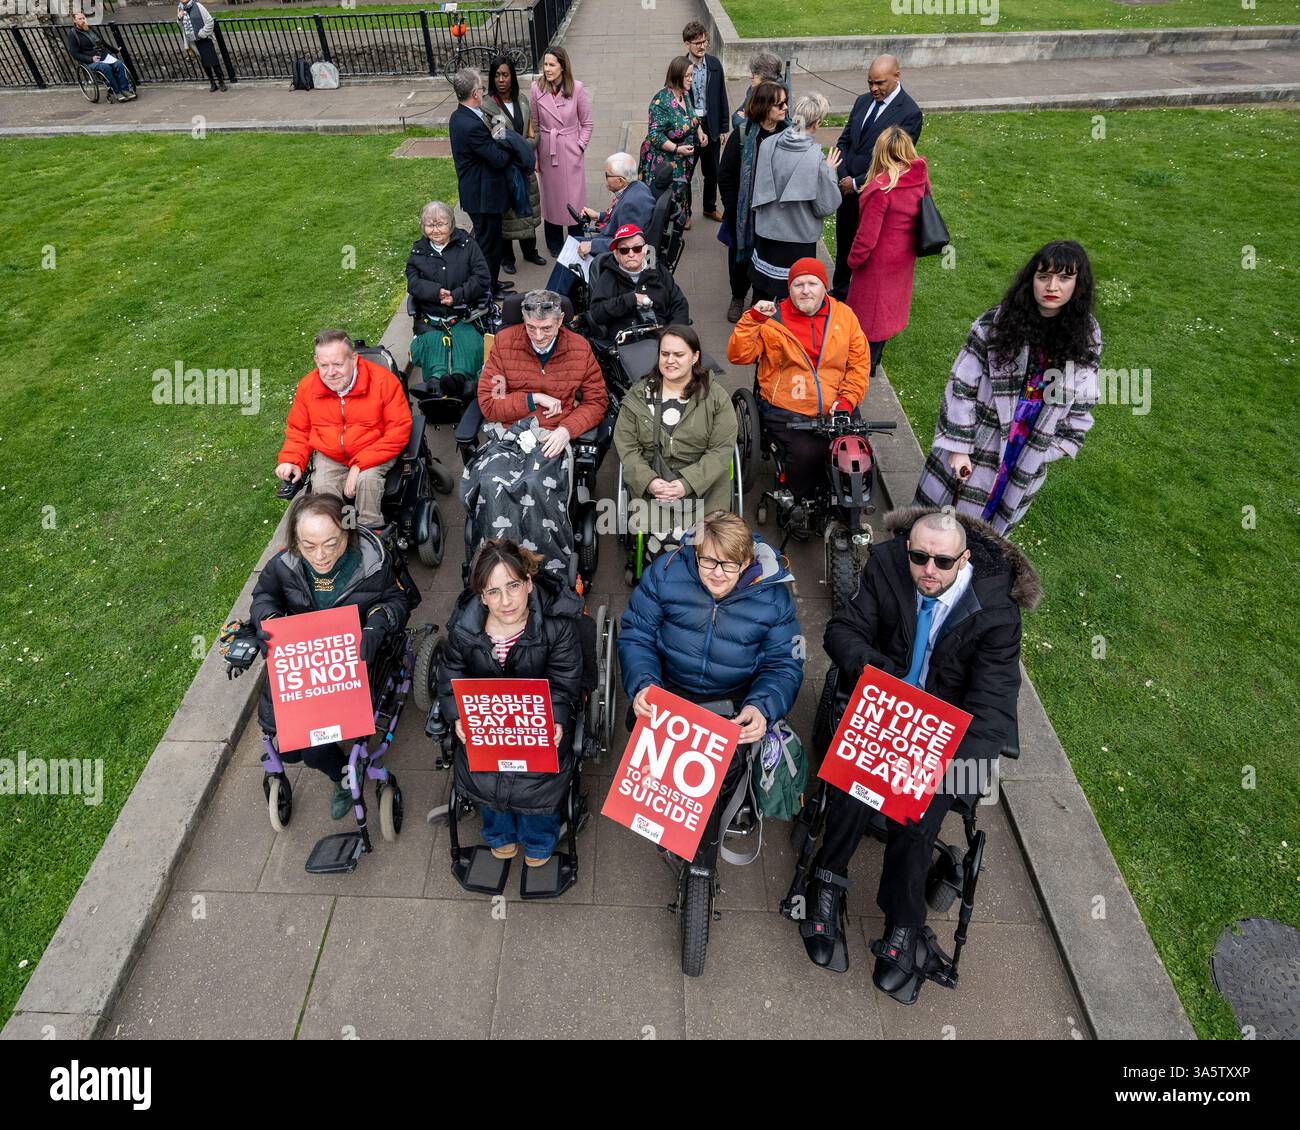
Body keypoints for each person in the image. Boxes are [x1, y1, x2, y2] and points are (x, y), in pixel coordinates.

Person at [803, 507, 1037, 997]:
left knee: (919, 814)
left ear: (964, 558)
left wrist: (948, 773)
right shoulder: (887, 565)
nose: (928, 570)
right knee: (853, 785)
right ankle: (827, 878)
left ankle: (903, 923)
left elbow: (993, 709)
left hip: (944, 734)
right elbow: (842, 632)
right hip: (884, 706)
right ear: (907, 547)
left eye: (942, 562)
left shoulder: (996, 611)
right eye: (919, 557)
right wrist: (878, 676)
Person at [619, 511, 803, 870]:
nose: (718, 573)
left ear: (747, 560)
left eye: (730, 564)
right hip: (670, 686)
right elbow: (637, 634)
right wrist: (644, 684)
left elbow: (784, 664)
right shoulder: (665, 573)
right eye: (708, 560)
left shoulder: (775, 599)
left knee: (729, 768)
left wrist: (762, 707)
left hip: (734, 697)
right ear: (694, 552)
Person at [912, 240, 1102, 534]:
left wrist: (1047, 450)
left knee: (988, 539)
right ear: (1031, 279)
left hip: (1023, 455)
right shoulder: (996, 323)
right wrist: (959, 447)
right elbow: (961, 385)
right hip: (976, 444)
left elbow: (1083, 402)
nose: (1053, 286)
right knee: (936, 529)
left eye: (1065, 278)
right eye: (1044, 276)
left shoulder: (1087, 336)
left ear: (1079, 284)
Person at [251, 493, 417, 820]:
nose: (321, 556)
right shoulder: (284, 566)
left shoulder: (372, 563)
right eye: (309, 546)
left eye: (331, 543)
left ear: (348, 532)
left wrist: (377, 624)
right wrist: (268, 619)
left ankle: (341, 776)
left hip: (356, 659)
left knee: (310, 750)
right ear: (296, 541)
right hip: (305, 662)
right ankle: (338, 769)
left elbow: (397, 600)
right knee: (287, 746)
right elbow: (264, 595)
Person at [437, 539, 584, 867]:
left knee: (537, 780)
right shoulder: (465, 629)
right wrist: (458, 716)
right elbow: (450, 675)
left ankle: (539, 838)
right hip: (489, 722)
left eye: (513, 587)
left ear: (528, 584)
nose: (505, 601)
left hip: (538, 718)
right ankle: (500, 835)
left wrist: (557, 719)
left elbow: (565, 680)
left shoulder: (555, 626)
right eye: (493, 592)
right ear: (481, 596)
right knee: (485, 769)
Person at [467, 290, 608, 574]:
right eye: (531, 327)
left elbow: (597, 401)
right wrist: (533, 399)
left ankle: (545, 571)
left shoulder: (579, 348)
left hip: (553, 435)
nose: (538, 335)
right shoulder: (505, 343)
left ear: (561, 321)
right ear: (523, 320)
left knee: (535, 483)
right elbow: (490, 404)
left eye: (546, 328)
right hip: (509, 435)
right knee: (492, 482)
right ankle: (495, 570)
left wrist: (567, 430)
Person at [726, 258, 871, 506]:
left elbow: (859, 365)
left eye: (812, 283)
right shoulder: (772, 319)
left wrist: (846, 399)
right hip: (787, 407)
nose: (805, 290)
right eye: (798, 284)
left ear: (823, 286)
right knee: (808, 453)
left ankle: (849, 505)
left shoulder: (844, 316)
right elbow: (739, 355)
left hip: (836, 404)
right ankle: (801, 503)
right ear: (789, 288)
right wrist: (752, 320)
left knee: (856, 452)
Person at [276, 329, 413, 530]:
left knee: (367, 482)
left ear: (354, 358)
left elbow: (398, 429)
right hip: (331, 454)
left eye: (338, 364)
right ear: (316, 361)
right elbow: (299, 430)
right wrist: (293, 460)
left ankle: (371, 534)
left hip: (375, 449)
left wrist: (360, 465)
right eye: (324, 365)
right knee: (322, 489)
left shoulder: (383, 382)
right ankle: (338, 533)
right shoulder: (308, 387)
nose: (330, 372)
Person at [614, 325, 737, 548]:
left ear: (695, 357)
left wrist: (687, 482)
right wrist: (649, 482)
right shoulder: (639, 396)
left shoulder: (716, 398)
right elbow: (628, 448)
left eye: (679, 354)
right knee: (662, 539)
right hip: (654, 480)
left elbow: (721, 450)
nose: (670, 360)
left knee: (706, 542)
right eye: (665, 354)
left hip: (704, 483)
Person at [832, 54, 923, 300]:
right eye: (870, 82)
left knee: (867, 252)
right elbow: (844, 141)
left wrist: (857, 182)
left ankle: (862, 300)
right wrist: (844, 177)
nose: (873, 88)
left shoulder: (910, 113)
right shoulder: (862, 102)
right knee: (844, 246)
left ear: (897, 76)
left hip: (875, 198)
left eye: (880, 83)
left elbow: (894, 161)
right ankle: (839, 293)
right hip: (846, 192)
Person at [846, 127, 930, 375]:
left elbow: (866, 239)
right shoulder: (919, 178)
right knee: (885, 317)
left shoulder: (881, 189)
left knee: (868, 325)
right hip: (902, 261)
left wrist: (852, 261)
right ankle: (874, 361)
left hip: (876, 267)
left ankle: (864, 370)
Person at [750, 91, 841, 302]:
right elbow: (825, 207)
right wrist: (828, 171)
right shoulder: (816, 159)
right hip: (798, 241)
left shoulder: (768, 144)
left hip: (766, 234)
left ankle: (755, 332)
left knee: (761, 296)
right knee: (793, 299)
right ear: (817, 123)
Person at [718, 81, 787, 324]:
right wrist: (732, 207)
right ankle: (738, 297)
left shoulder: (787, 136)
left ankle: (760, 301)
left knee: (767, 258)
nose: (785, 108)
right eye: (780, 104)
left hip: (774, 214)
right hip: (743, 214)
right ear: (765, 106)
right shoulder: (744, 134)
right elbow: (725, 174)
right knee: (739, 259)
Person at [405, 200, 491, 397]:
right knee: (433, 346)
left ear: (451, 224)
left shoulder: (468, 245)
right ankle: (435, 383)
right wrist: (436, 292)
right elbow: (413, 282)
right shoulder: (418, 250)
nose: (435, 230)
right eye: (430, 225)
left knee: (467, 344)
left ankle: (461, 381)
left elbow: (482, 277)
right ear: (423, 226)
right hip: (432, 316)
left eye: (440, 224)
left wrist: (457, 295)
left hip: (463, 313)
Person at [449, 67, 517, 298]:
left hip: (480, 192)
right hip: (483, 196)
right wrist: (512, 148)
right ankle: (488, 290)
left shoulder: (461, 115)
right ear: (475, 94)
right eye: (482, 88)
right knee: (489, 246)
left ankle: (494, 283)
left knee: (491, 242)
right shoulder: (470, 125)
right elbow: (498, 158)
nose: (484, 92)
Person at [483, 55, 547, 274]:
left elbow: (534, 132)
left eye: (505, 75)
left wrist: (523, 146)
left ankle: (530, 251)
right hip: (507, 168)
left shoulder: (522, 100)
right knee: (508, 214)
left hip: (524, 165)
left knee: (527, 211)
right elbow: (498, 138)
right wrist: (520, 147)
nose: (501, 79)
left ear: (512, 77)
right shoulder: (488, 106)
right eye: (497, 75)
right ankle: (507, 258)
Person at [529, 47, 593, 257]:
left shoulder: (577, 88)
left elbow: (587, 123)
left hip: (570, 149)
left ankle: (576, 239)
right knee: (551, 198)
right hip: (549, 149)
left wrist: (579, 146)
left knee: (574, 198)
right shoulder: (536, 89)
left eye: (551, 64)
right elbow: (535, 126)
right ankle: (554, 243)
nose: (547, 69)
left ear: (562, 67)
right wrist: (536, 156)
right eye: (545, 64)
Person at [585, 224, 689, 341]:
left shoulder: (659, 271)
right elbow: (596, 313)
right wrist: (630, 300)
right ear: (616, 254)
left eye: (637, 248)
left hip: (663, 337)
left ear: (645, 250)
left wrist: (673, 334)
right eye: (624, 250)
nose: (631, 254)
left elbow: (680, 304)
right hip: (629, 341)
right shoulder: (609, 276)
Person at [639, 54, 703, 229]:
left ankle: (680, 219)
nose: (691, 79)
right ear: (676, 76)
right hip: (663, 161)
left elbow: (691, 115)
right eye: (688, 76)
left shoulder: (684, 94)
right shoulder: (661, 102)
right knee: (665, 195)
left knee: (681, 189)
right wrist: (676, 149)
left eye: (692, 75)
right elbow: (655, 136)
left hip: (681, 159)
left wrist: (700, 131)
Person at [682, 20, 730, 223]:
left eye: (704, 42)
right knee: (687, 174)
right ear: (687, 44)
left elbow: (722, 96)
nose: (702, 46)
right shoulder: (680, 67)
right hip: (689, 128)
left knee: (713, 173)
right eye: (697, 43)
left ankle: (709, 207)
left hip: (711, 126)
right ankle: (686, 214)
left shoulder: (715, 65)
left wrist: (724, 127)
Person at [65, 11, 134, 102]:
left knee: (119, 64)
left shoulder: (90, 29)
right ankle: (117, 92)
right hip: (91, 60)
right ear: (75, 20)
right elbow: (74, 53)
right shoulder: (73, 34)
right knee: (106, 67)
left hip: (103, 55)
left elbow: (103, 43)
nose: (83, 20)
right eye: (80, 19)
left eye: (83, 18)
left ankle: (125, 90)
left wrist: (115, 50)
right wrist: (90, 59)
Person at [176, 1, 225, 93]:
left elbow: (210, 21)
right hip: (193, 41)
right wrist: (179, 18)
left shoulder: (198, 6)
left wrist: (202, 33)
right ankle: (212, 83)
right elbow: (181, 25)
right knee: (204, 62)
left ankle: (221, 82)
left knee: (213, 61)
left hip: (205, 38)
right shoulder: (180, 8)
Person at [731, 51, 784, 131]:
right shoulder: (752, 89)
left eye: (755, 74)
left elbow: (744, 126)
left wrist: (746, 117)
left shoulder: (778, 96)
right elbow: (735, 117)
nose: (750, 77)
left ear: (766, 76)